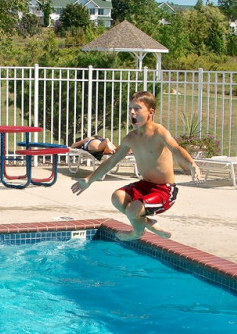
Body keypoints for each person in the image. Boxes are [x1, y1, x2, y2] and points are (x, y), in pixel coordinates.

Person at [71, 91, 202, 241]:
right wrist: (89, 180)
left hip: (164, 190)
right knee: (117, 197)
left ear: (151, 112)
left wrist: (192, 165)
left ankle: (137, 232)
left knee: (133, 210)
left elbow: (176, 149)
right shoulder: (131, 139)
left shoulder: (159, 132)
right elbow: (111, 162)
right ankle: (147, 223)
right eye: (130, 108)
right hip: (144, 185)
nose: (132, 112)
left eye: (138, 108)